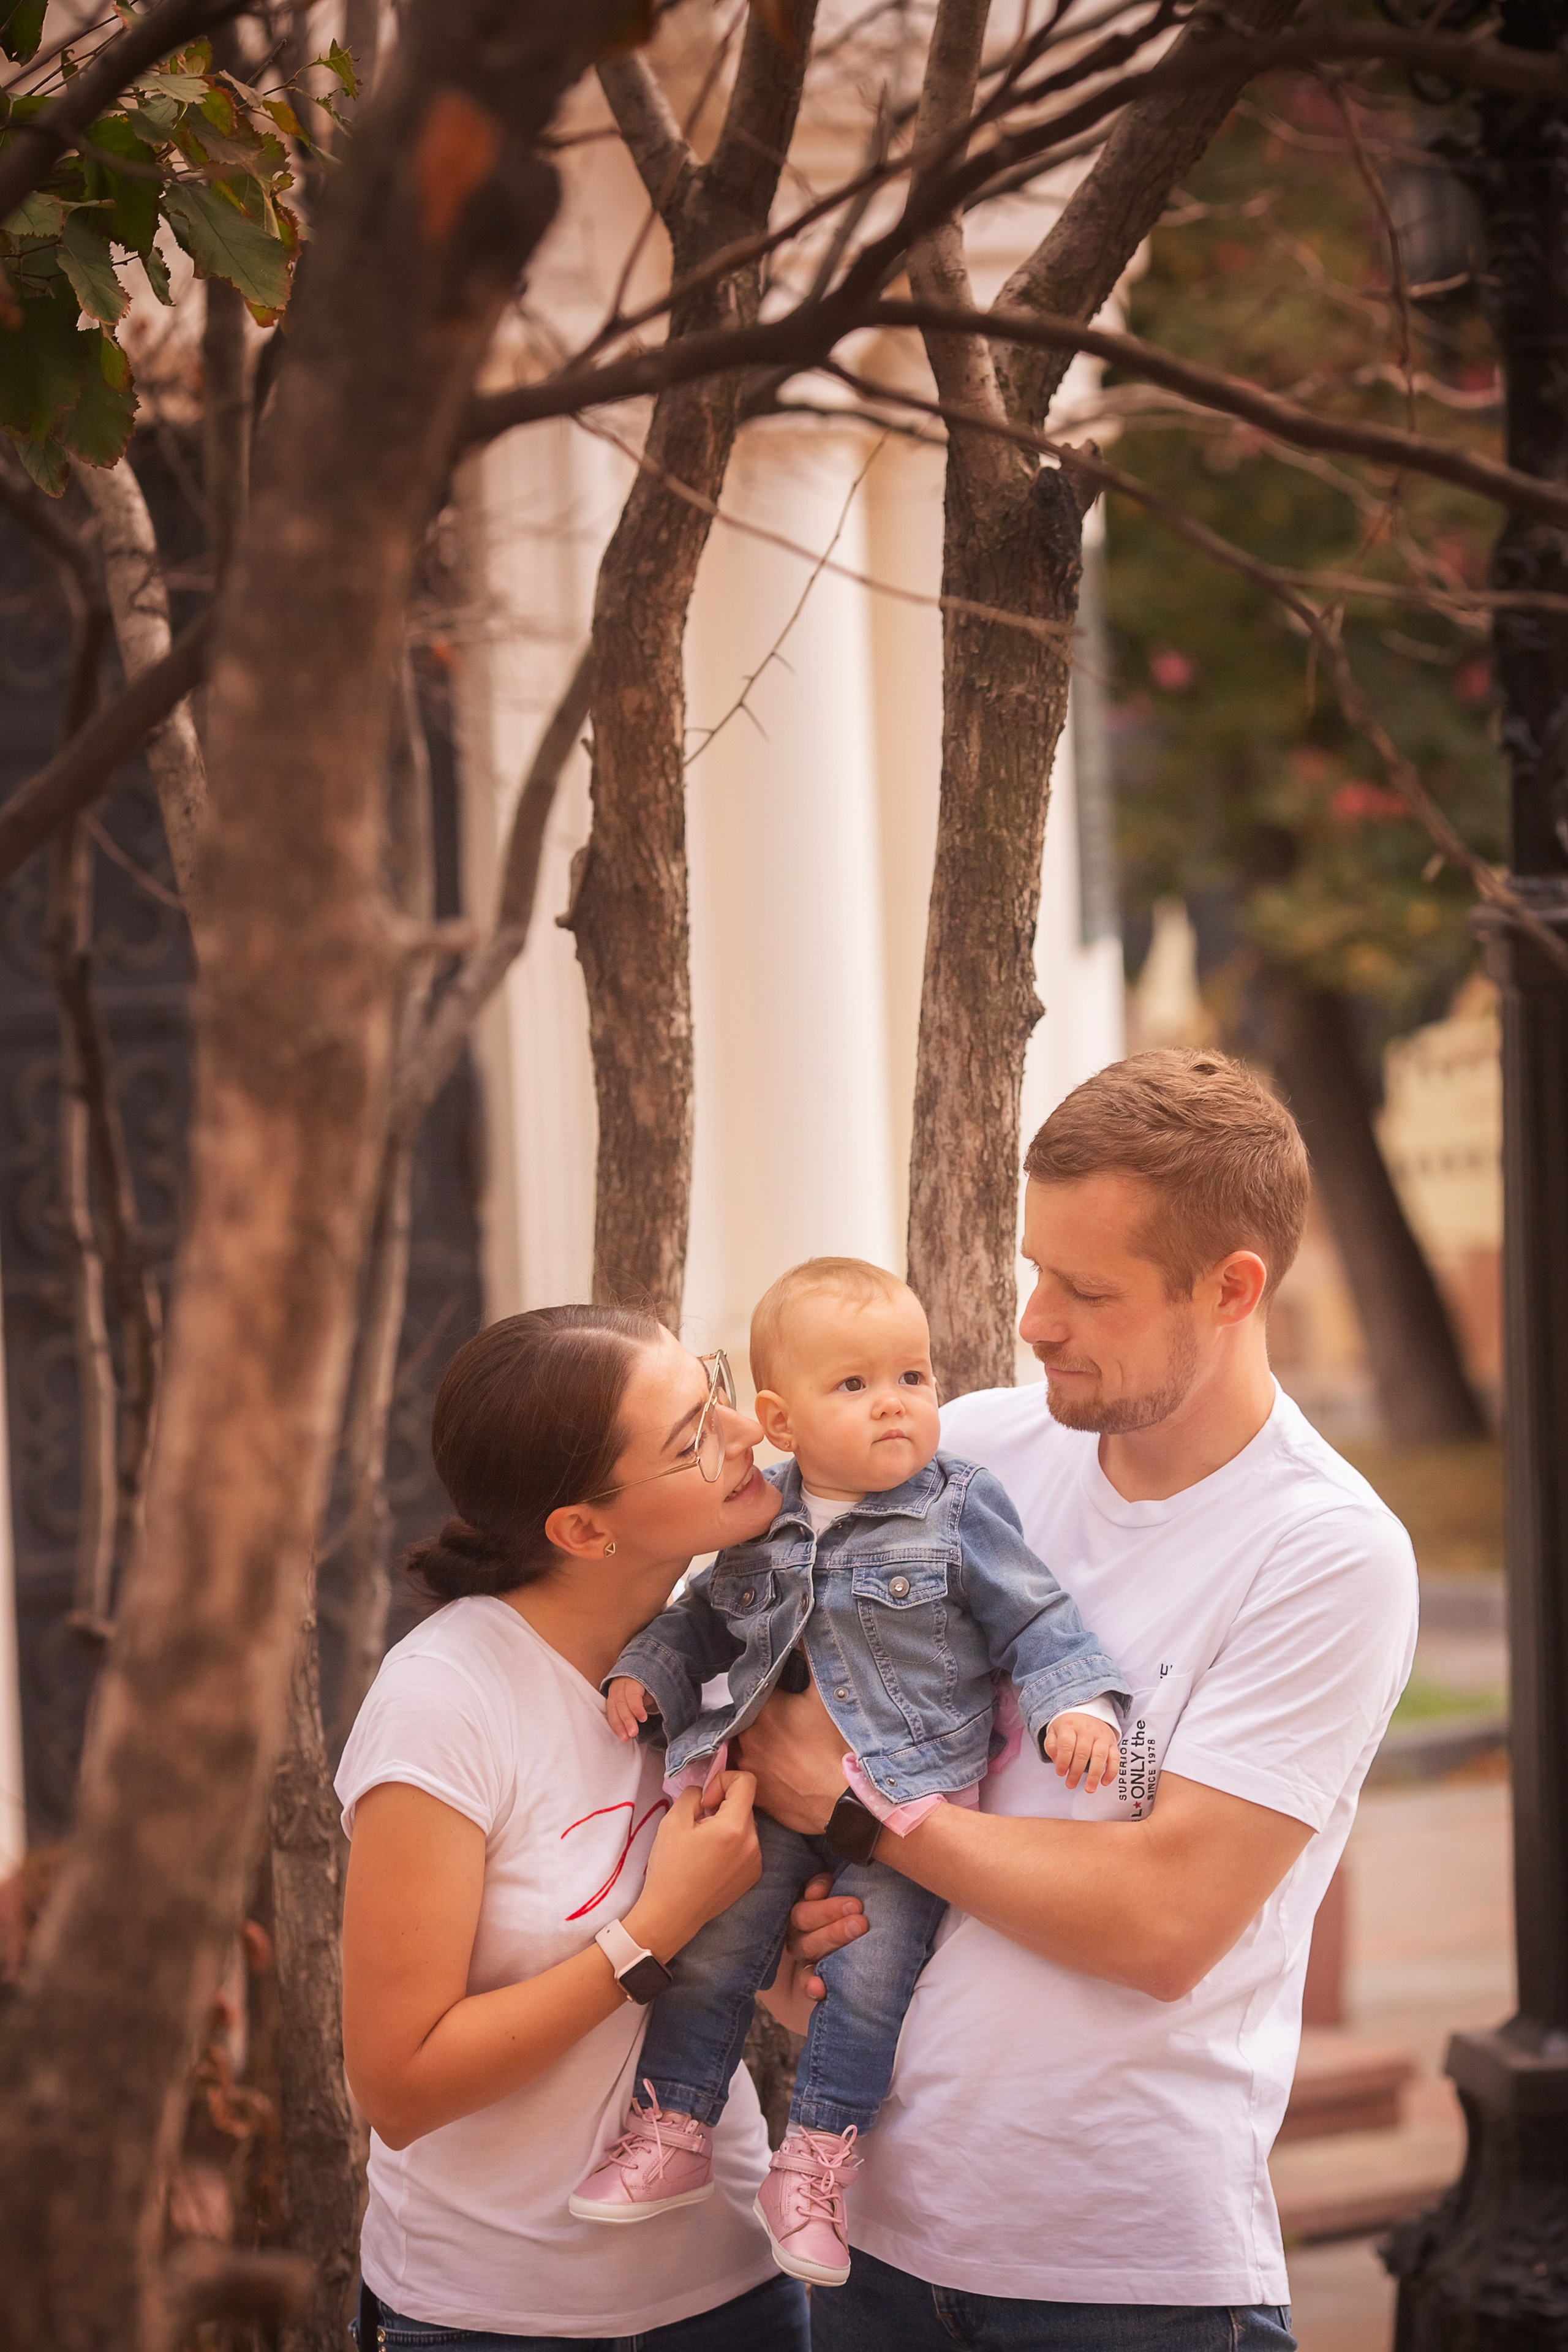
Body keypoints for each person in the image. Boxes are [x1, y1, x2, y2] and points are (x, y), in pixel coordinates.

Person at [740, 1050, 1420, 2352]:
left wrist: (857, 1810)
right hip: (867, 2251)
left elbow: (1161, 1918)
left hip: (1127, 2284)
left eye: (1086, 1289)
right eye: (1032, 1271)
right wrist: (785, 1934)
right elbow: (775, 1689)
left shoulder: (1322, 1550)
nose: (1034, 1320)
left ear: (1231, 1290)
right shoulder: (966, 1454)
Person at [573, 1259, 1127, 2287]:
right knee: (712, 1954)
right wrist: (645, 1673)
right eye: (855, 1386)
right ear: (779, 1421)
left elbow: (1039, 1622)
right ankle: (672, 2130)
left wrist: (1077, 1708)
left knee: (868, 1988)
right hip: (763, 1802)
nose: (895, 1405)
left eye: (913, 1378)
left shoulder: (958, 1509)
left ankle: (814, 2169)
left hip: (909, 1806)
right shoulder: (759, 1520)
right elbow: (699, 1619)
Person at [336, 1306, 813, 2352]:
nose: (745, 1430)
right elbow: (397, 2084)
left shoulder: (728, 1656)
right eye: (693, 1436)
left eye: (715, 1386)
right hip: (495, 2319)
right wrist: (655, 1928)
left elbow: (749, 1966)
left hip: (738, 2291)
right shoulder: (447, 1699)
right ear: (583, 1530)